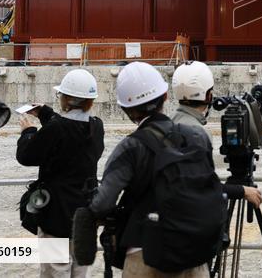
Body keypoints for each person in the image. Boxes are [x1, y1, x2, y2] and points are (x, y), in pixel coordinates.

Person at [87, 61, 217, 278]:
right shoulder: (198, 137)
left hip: (145, 252)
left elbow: (103, 202)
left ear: (126, 109)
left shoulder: (130, 147)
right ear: (165, 96)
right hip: (193, 251)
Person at [16, 68, 105, 278]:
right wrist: (45, 113)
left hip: (56, 216)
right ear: (90, 101)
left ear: (66, 98)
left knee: (55, 271)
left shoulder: (56, 129)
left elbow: (26, 156)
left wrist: (28, 132)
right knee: (80, 272)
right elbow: (68, 130)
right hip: (85, 215)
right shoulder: (97, 127)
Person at [170, 61, 262, 208]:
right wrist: (241, 191)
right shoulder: (198, 133)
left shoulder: (167, 123)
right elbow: (202, 186)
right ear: (208, 95)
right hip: (188, 216)